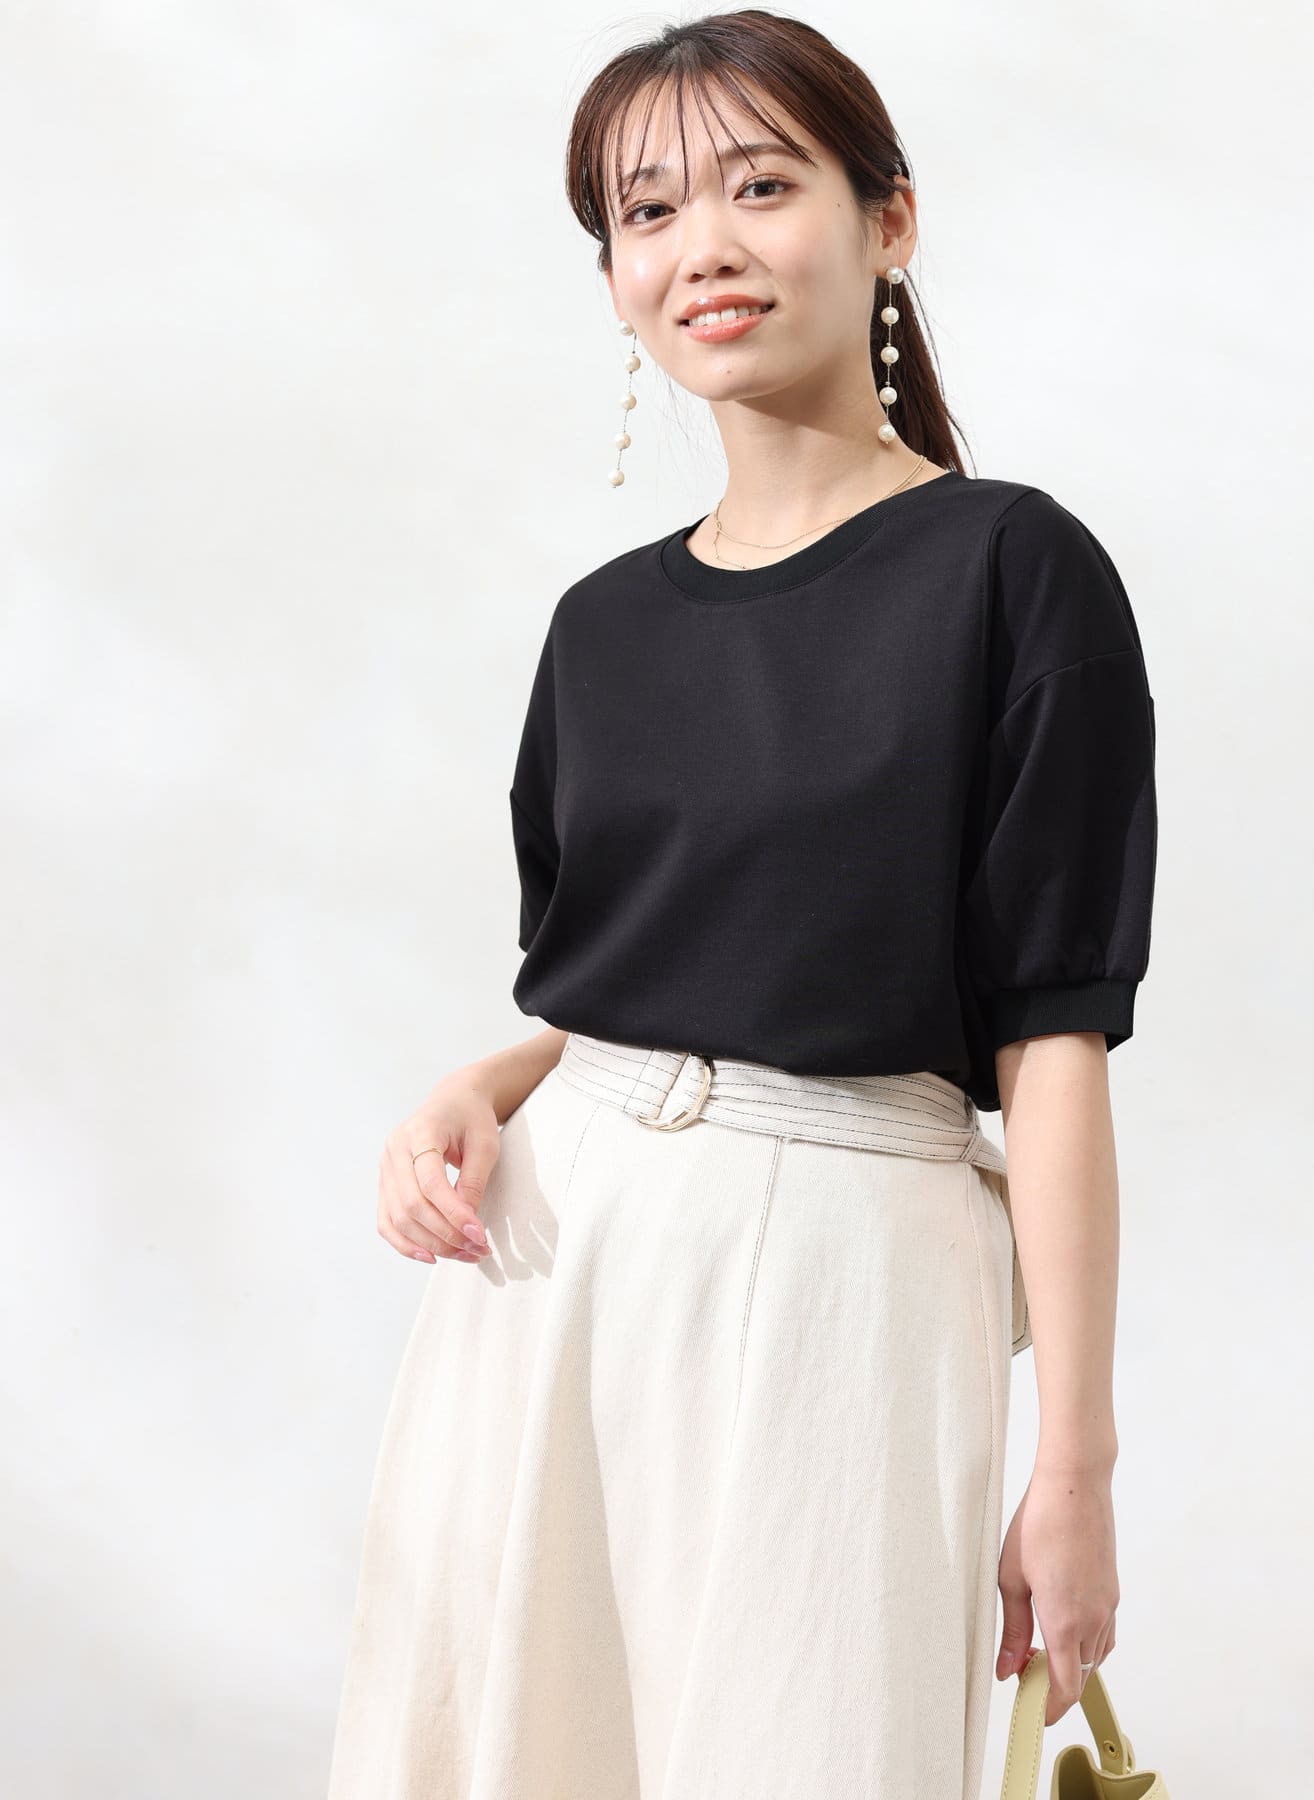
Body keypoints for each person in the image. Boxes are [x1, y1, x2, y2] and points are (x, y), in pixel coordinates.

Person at [326, 12, 1158, 1799]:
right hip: (549, 1254)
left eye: (762, 188)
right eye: (647, 211)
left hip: (854, 1264)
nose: (701, 244)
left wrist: (1074, 1464)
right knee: (500, 1753)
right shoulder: (601, 626)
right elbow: (633, 983)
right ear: (614, 278)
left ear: (889, 221)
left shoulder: (1013, 571)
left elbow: (1055, 1040)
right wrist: (481, 1087)